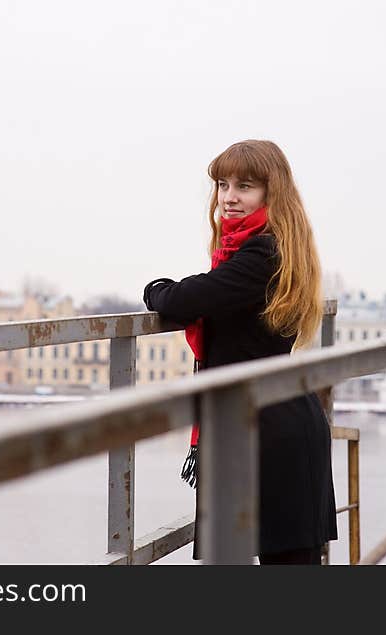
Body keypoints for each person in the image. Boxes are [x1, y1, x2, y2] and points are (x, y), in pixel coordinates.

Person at [142, 139, 338, 565]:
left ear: (272, 192)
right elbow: (208, 290)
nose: (229, 197)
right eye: (222, 184)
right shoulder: (263, 248)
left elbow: (180, 300)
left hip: (267, 431)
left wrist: (155, 289)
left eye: (244, 186)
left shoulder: (263, 253)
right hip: (263, 420)